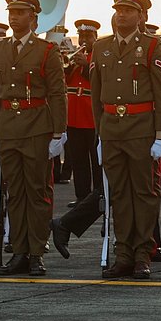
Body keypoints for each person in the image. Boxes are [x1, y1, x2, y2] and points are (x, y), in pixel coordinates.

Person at [85, 0, 161, 280]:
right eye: (118, 9)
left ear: (141, 16)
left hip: (141, 129)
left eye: (128, 10)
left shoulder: (151, 46)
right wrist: (99, 134)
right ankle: (122, 253)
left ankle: (142, 254)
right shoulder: (101, 47)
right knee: (119, 193)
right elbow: (96, 96)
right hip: (112, 130)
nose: (121, 14)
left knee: (144, 193)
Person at [0, 0, 67, 277]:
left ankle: (36, 251)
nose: (13, 17)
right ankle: (19, 251)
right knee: (15, 193)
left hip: (36, 127)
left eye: (20, 12)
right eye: (11, 11)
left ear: (33, 17)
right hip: (8, 127)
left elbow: (57, 93)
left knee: (36, 192)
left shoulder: (46, 51)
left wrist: (59, 132)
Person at [64, 20, 100, 203]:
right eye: (81, 36)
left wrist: (86, 65)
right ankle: (81, 197)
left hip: (92, 117)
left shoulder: (99, 57)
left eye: (88, 36)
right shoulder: (73, 57)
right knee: (78, 160)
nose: (84, 40)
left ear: (96, 37)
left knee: (96, 161)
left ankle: (99, 197)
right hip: (74, 117)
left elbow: (99, 80)